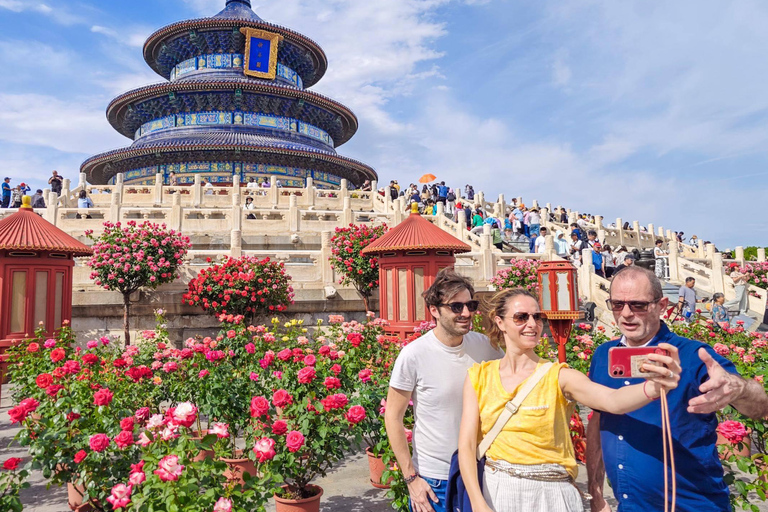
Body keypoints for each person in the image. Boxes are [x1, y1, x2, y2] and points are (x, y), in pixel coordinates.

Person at [459, 288, 681, 512]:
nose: (532, 324)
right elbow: (467, 446)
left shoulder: (559, 375)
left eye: (537, 317)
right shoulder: (480, 376)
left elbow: (611, 401)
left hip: (553, 493)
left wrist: (652, 387)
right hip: (499, 489)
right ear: (500, 322)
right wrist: (478, 503)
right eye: (521, 317)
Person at [587, 266, 768, 512]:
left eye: (638, 305)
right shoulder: (603, 355)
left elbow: (760, 407)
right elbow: (597, 422)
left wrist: (740, 388)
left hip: (695, 506)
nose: (626, 314)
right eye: (618, 304)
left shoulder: (694, 355)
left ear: (662, 305)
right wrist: (596, 492)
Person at [385, 269, 505, 512]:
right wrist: (411, 479)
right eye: (456, 307)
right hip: (433, 481)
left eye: (470, 305)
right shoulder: (414, 354)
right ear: (434, 310)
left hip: (480, 471)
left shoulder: (485, 347)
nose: (466, 313)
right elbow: (393, 417)